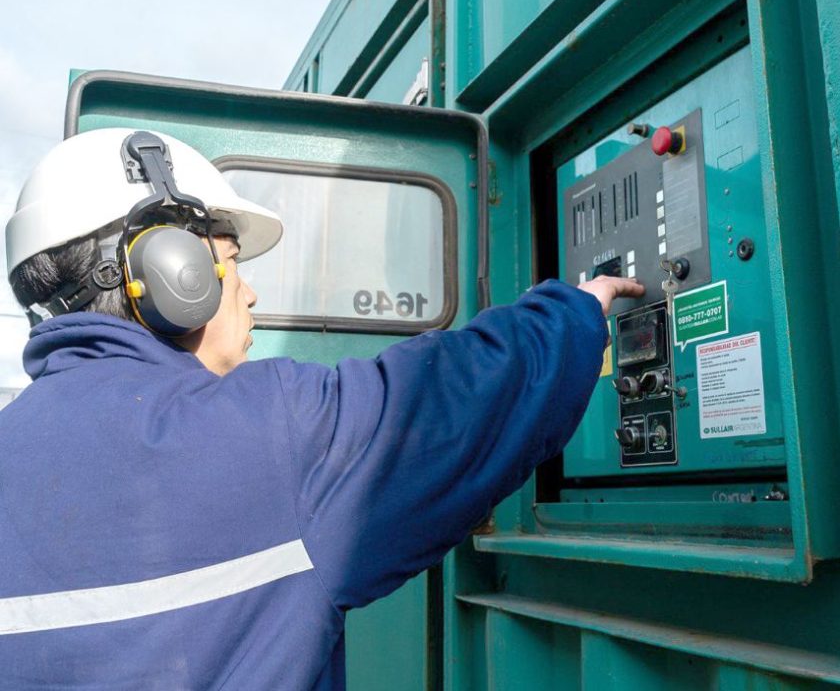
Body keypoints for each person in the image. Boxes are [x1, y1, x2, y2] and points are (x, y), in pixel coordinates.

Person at [0, 128, 643, 689]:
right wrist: (576, 309)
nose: (248, 293)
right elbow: (456, 396)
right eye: (226, 264)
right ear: (174, 274)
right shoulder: (271, 436)